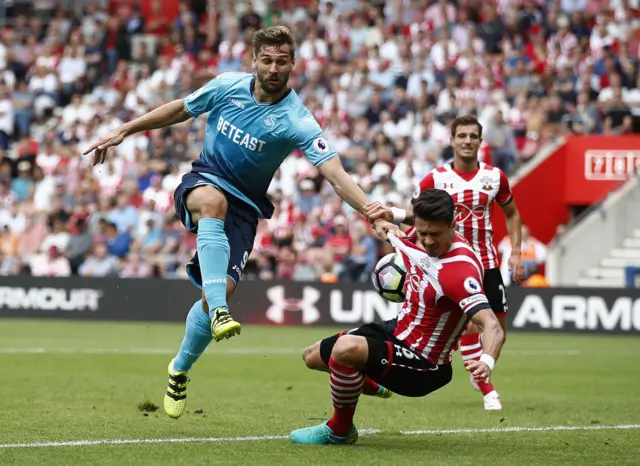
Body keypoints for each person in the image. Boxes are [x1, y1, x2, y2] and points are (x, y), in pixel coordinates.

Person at [83, 26, 399, 419]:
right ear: (254, 60)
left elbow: (335, 175)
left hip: (245, 209)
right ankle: (218, 311)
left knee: (221, 288)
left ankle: (179, 367)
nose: (273, 68)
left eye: (282, 61)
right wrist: (124, 130)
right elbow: (181, 108)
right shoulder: (227, 86)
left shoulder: (297, 119)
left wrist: (371, 211)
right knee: (211, 204)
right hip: (203, 182)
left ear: (293, 65)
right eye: (266, 60)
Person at [290, 189, 505, 445]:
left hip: (426, 364)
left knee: (345, 350)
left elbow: (492, 325)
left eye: (435, 234)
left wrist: (487, 361)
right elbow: (411, 223)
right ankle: (365, 380)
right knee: (311, 356)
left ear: (453, 225)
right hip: (396, 331)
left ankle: (340, 429)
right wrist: (392, 215)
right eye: (422, 232)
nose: (426, 241)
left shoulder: (459, 271)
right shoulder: (420, 233)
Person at [364, 115, 524, 411]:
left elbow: (512, 213)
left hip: (486, 264)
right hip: (447, 264)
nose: (466, 141)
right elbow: (420, 217)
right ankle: (486, 387)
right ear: (451, 140)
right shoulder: (434, 179)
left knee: (496, 327)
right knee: (470, 325)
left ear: (480, 140)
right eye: (461, 135)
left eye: (472, 136)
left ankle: (482, 370)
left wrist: (516, 252)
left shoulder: (495, 177)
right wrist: (396, 220)